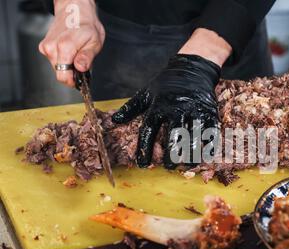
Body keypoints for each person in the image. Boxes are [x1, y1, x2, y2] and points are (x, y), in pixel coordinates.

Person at [40, 0, 275, 168]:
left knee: (252, 149)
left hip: (233, 26)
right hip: (124, 35)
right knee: (125, 140)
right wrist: (72, 7)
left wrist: (205, 55)